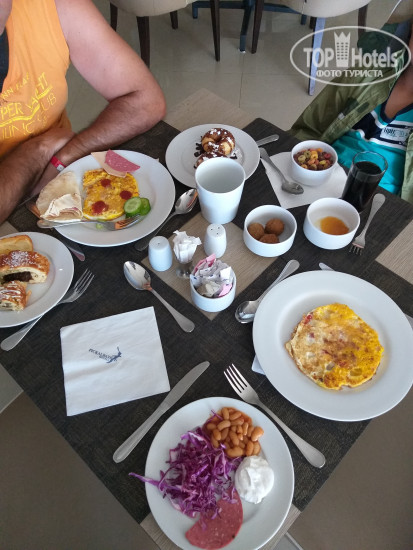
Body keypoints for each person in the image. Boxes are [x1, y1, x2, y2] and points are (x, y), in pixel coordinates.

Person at [0, 0, 166, 223]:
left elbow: (147, 102)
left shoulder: (51, 5)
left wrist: (63, 157)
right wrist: (38, 150)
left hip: (57, 186)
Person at [289, 19, 413, 205]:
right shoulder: (365, 75)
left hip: (378, 204)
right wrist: (296, 165)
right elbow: (309, 128)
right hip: (320, 176)